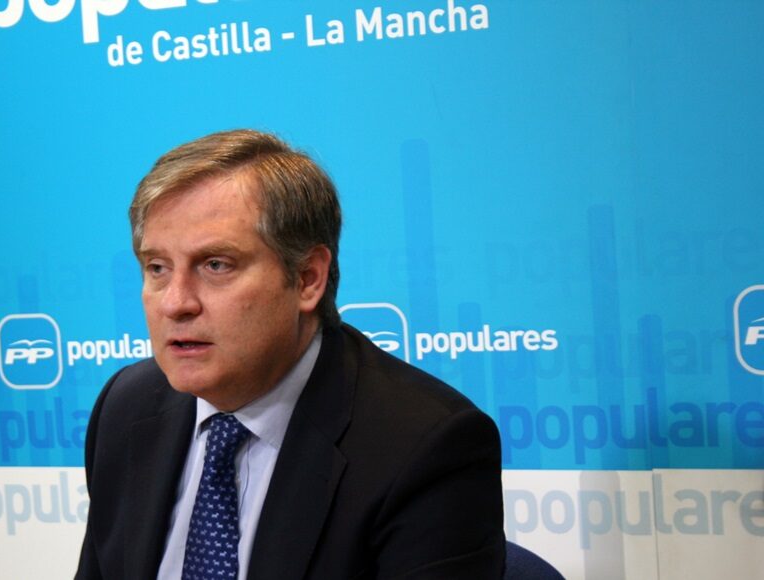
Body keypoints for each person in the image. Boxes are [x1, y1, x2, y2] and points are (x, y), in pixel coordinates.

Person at [76, 129, 505, 579]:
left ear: (307, 279)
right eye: (157, 268)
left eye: (216, 265)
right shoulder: (126, 408)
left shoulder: (422, 447)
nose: (175, 302)